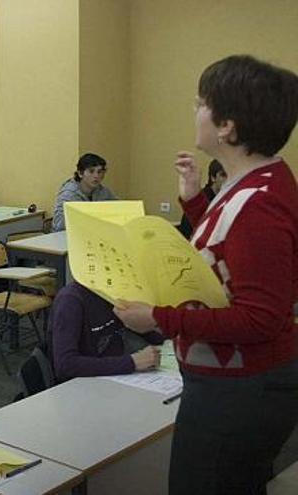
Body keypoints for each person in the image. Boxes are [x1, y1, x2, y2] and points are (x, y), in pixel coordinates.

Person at [113, 55, 298, 495]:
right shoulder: (253, 182)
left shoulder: (260, 202)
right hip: (236, 385)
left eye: (200, 103)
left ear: (226, 127)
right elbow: (230, 260)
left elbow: (259, 318)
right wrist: (196, 203)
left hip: (241, 393)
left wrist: (160, 317)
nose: (193, 111)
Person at [49, 282, 163, 382]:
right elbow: (65, 366)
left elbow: (148, 333)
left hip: (113, 379)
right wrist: (132, 362)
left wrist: (160, 323)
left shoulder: (113, 293)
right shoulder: (70, 300)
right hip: (80, 386)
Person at [51, 153, 118, 232]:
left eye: (100, 172)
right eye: (91, 171)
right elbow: (59, 223)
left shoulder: (103, 191)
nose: (96, 176)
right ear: (80, 173)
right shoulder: (69, 193)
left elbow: (119, 211)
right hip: (66, 236)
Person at [177, 159, 226, 238]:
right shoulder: (202, 199)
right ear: (213, 177)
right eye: (223, 175)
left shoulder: (226, 196)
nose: (228, 179)